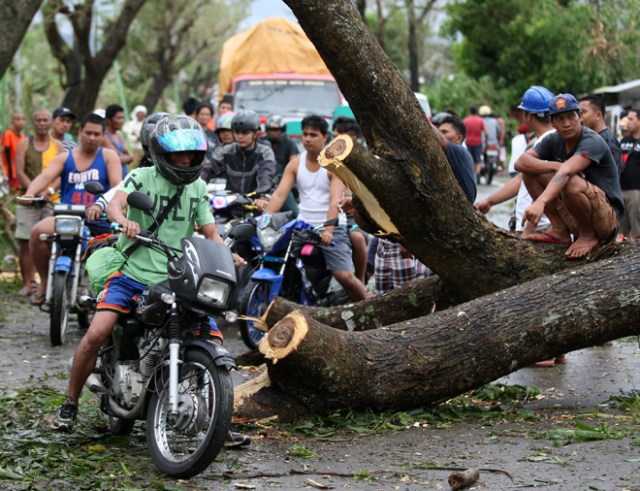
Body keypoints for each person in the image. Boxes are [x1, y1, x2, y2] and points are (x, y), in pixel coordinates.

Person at [51, 114, 243, 434]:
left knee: (212, 334)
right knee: (98, 332)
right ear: (161, 154)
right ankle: (69, 403)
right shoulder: (142, 177)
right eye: (177, 154)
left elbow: (210, 231)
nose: (185, 160)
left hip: (177, 273)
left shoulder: (197, 187)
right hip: (132, 272)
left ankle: (217, 417)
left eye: (190, 154)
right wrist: (123, 220)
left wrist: (226, 252)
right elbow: (116, 204)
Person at [256, 115, 369, 302]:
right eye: (305, 134)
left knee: (344, 276)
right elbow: (279, 195)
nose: (308, 138)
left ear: (325, 137)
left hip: (330, 229)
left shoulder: (334, 166)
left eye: (313, 135)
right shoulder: (295, 164)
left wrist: (329, 230)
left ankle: (369, 308)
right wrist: (265, 219)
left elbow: (335, 201)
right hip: (301, 228)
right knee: (277, 259)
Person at [24, 113, 122, 305]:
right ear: (79, 132)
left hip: (99, 218)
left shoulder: (109, 157)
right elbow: (44, 178)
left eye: (97, 134)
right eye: (88, 133)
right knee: (37, 232)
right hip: (68, 216)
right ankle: (44, 283)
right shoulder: (64, 158)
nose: (92, 138)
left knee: (116, 252)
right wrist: (30, 192)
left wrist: (109, 207)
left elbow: (117, 186)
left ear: (103, 135)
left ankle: (109, 299)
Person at [516, 93, 624, 260]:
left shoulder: (591, 140)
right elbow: (521, 162)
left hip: (606, 219)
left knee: (570, 181)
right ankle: (560, 229)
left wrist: (541, 202)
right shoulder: (553, 140)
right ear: (551, 122)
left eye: (570, 116)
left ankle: (588, 235)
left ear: (579, 116)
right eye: (559, 119)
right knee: (530, 173)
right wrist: (555, 165)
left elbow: (566, 173)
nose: (566, 123)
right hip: (576, 215)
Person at [476, 86, 555, 234]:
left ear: (528, 116)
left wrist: (528, 230)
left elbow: (545, 185)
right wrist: (490, 201)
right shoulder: (541, 142)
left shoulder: (548, 143)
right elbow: (521, 179)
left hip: (539, 226)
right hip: (535, 225)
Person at [14, 109, 64, 299]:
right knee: (25, 242)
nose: (42, 123)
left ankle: (50, 281)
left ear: (51, 123)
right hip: (27, 200)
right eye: (39, 120)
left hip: (51, 200)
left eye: (46, 120)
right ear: (33, 123)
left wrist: (48, 191)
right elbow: (20, 171)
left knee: (50, 239)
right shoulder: (24, 143)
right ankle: (28, 282)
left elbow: (61, 174)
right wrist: (32, 192)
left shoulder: (58, 145)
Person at [201, 111, 275, 197]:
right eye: (237, 132)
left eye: (245, 132)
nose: (240, 136)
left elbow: (266, 177)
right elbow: (207, 169)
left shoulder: (265, 152)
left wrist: (263, 195)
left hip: (255, 202)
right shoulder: (225, 151)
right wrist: (198, 185)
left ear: (256, 134)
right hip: (229, 201)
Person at [332, 116, 369, 284]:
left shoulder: (364, 161)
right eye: (333, 136)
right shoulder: (326, 159)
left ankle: (360, 281)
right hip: (330, 212)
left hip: (355, 214)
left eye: (339, 137)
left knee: (357, 238)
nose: (335, 141)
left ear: (352, 139)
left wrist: (351, 200)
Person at [261, 114, 299, 216]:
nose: (273, 133)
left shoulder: (289, 143)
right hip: (262, 186)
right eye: (271, 130)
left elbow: (294, 163)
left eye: (276, 130)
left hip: (282, 186)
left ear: (282, 130)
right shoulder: (261, 143)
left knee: (295, 214)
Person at [579, 95, 622, 170]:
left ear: (598, 115)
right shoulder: (587, 137)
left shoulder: (608, 140)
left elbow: (614, 173)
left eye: (584, 112)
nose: (580, 117)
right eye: (579, 113)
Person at [618, 108, 640, 240]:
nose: (627, 122)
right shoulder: (625, 140)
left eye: (631, 119)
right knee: (622, 230)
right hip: (621, 189)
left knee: (637, 230)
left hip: (636, 191)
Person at [102, 104, 134, 177]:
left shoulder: (119, 135)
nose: (121, 121)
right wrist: (129, 157)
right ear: (108, 120)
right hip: (110, 178)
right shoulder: (104, 136)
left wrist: (127, 157)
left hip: (122, 176)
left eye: (122, 118)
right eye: (118, 118)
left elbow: (126, 154)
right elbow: (115, 159)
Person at [1, 111, 26, 191]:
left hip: (20, 175)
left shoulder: (23, 137)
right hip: (9, 175)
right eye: (18, 119)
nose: (21, 122)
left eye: (23, 119)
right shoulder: (8, 134)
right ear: (12, 122)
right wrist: (2, 170)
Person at [462, 106, 488, 183]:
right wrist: (486, 141)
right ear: (476, 112)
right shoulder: (480, 120)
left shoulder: (466, 120)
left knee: (470, 159)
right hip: (478, 143)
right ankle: (478, 176)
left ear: (470, 111)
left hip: (468, 143)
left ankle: (471, 176)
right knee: (478, 160)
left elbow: (461, 131)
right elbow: (486, 133)